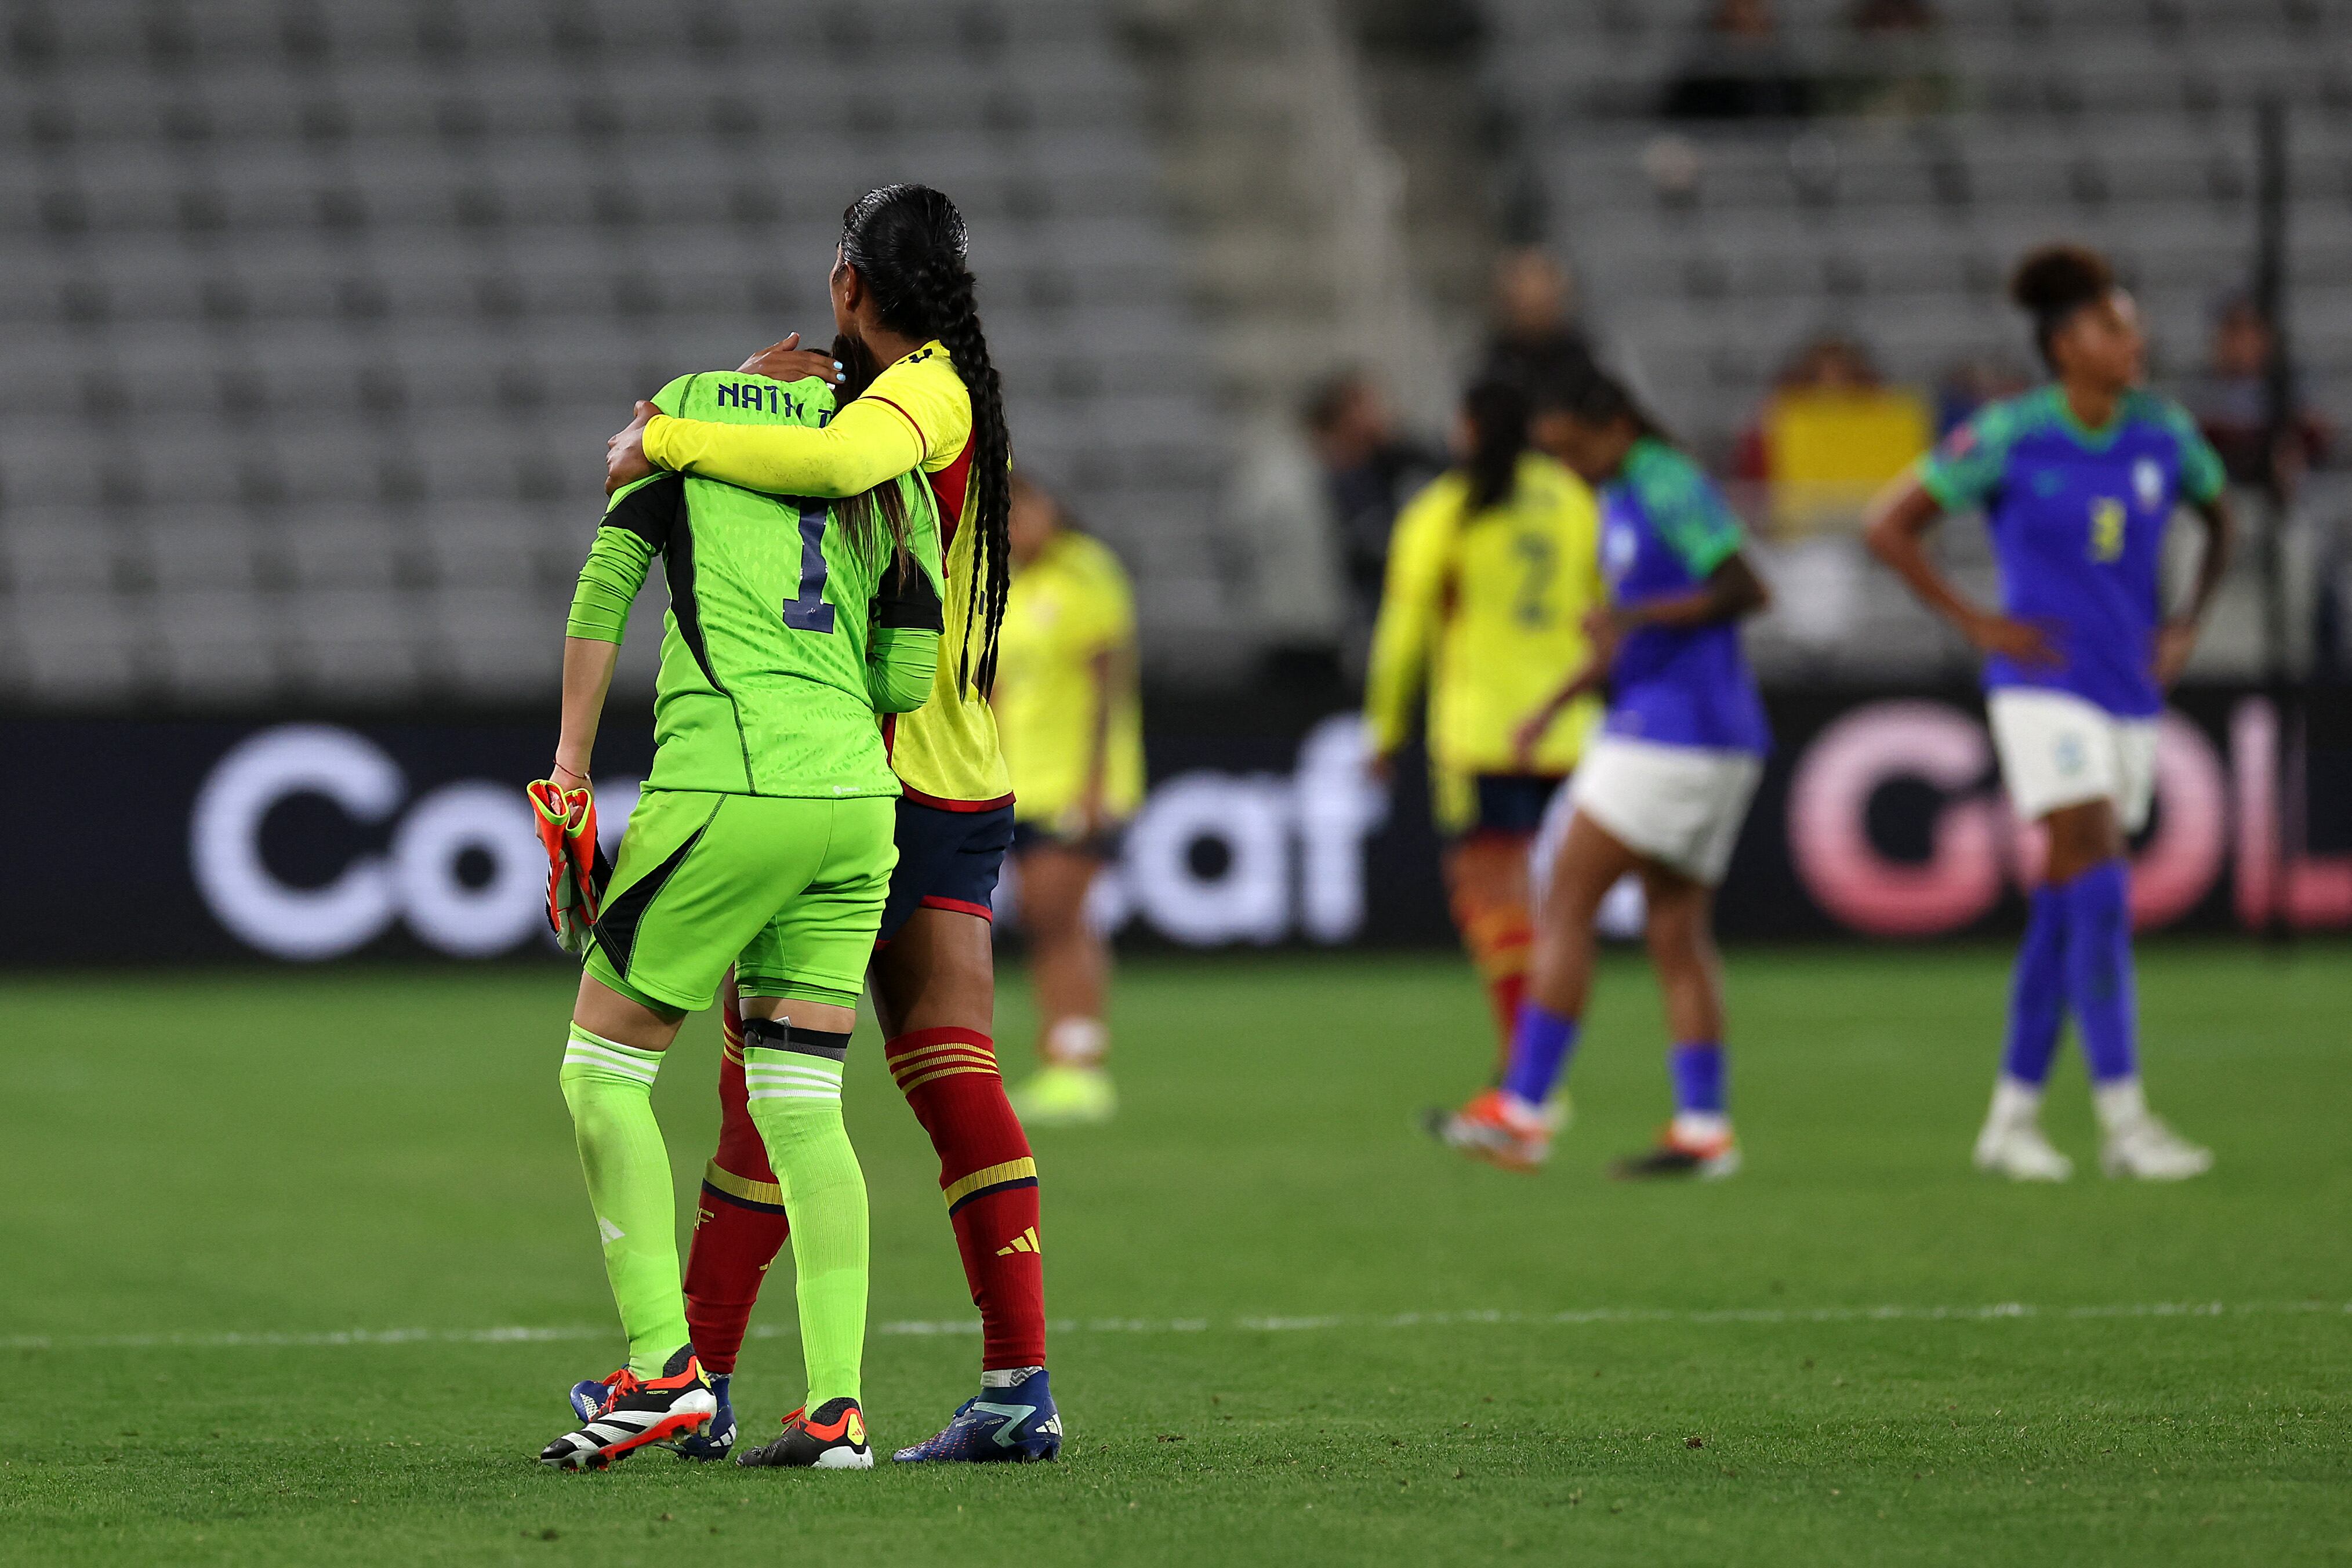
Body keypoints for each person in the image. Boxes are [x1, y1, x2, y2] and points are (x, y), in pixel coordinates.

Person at [600, 185, 1063, 1462]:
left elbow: (839, 466)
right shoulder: (904, 386)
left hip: (868, 761)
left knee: (774, 1077)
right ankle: (1015, 1384)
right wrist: (746, 392)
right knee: (933, 1065)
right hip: (953, 769)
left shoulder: (921, 393)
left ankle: (694, 1374)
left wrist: (676, 432)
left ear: (848, 282)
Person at [536, 365, 943, 1471]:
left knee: (600, 1068)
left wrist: (570, 765)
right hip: (856, 803)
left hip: (727, 787)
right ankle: (837, 1412)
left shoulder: (682, 422)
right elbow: (907, 673)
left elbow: (604, 585)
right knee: (805, 1101)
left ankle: (667, 1371)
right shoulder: (887, 460)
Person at [1864, 242, 2233, 1182]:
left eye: (2133, 326)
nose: (2132, 342)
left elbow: (2222, 517)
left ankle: (2011, 1119)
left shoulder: (2164, 434)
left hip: (2127, 692)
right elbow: (1887, 522)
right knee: (2098, 863)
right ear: (2065, 343)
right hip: (2040, 685)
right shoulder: (2010, 433)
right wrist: (1977, 619)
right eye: (2114, 327)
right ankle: (2124, 1119)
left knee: (2067, 904)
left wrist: (2186, 620)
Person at [1428, 370, 1773, 1177]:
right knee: (1675, 930)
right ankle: (1703, 1128)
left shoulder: (1665, 484)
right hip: (1704, 731)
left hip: (1674, 732)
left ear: (1612, 423)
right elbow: (1635, 630)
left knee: (1565, 897)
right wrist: (1558, 701)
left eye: (1571, 447)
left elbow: (1745, 588)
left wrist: (1634, 617)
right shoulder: (1621, 491)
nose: (1566, 465)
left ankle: (1525, 1107)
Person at [1366, 379, 1606, 1086]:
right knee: (1563, 907)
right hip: (1572, 731)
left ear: (1466, 428)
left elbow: (1403, 634)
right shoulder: (1572, 499)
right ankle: (1540, 1069)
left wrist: (1382, 731)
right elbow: (1610, 602)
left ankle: (1524, 1076)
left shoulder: (1445, 510)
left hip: (1483, 736)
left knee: (1492, 898)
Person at [989, 474, 1144, 1126]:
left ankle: (1076, 1057)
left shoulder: (1086, 572)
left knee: (1056, 918)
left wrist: (1093, 784)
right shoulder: (1006, 584)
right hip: (1021, 781)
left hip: (1074, 783)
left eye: (1024, 512)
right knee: (1055, 920)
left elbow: (1108, 690)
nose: (1017, 526)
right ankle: (1071, 1055)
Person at [1304, 369, 1446, 641]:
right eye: (1366, 405)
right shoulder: (1326, 482)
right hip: (1353, 625)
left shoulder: (1394, 464)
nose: (1380, 413)